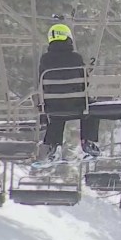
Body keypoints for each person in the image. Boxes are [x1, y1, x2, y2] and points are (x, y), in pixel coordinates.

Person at [38, 23, 101, 163]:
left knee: (55, 115)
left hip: (53, 104)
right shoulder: (76, 58)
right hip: (75, 103)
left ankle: (54, 146)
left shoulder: (45, 59)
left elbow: (41, 82)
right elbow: (85, 81)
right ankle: (87, 142)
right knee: (91, 109)